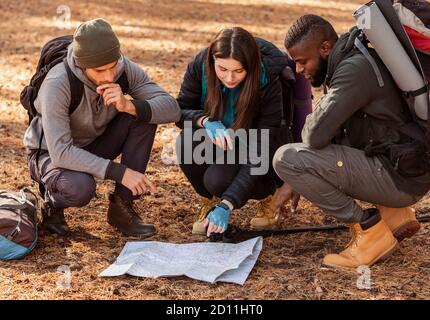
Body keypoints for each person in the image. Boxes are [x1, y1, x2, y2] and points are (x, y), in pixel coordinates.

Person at [273, 14, 430, 269]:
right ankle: (394, 214)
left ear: (325, 48)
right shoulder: (353, 56)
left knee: (287, 159)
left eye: (302, 62)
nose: (299, 70)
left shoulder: (353, 71)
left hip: (400, 178)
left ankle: (370, 232)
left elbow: (313, 135)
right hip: (406, 167)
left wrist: (295, 174)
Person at [23, 18, 181, 237]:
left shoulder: (123, 69)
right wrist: (121, 172)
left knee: (142, 116)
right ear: (81, 64)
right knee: (80, 188)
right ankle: (52, 203)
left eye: (112, 67)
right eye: (99, 71)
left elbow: (172, 108)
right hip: (50, 154)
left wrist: (129, 105)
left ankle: (121, 207)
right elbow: (61, 153)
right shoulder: (58, 83)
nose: (108, 77)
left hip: (93, 144)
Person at [176, 27, 294, 237]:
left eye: (238, 71)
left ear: (251, 67)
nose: (229, 78)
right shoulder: (200, 66)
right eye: (222, 69)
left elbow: (260, 152)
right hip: (220, 139)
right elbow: (180, 110)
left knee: (218, 181)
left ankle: (268, 195)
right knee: (186, 143)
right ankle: (209, 203)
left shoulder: (267, 82)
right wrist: (205, 121)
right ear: (213, 61)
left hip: (255, 147)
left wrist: (228, 204)